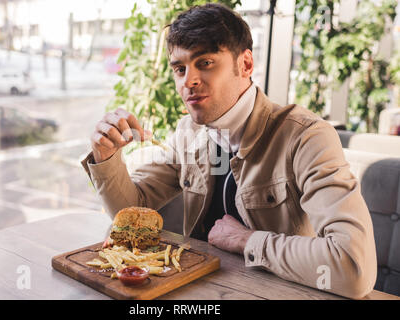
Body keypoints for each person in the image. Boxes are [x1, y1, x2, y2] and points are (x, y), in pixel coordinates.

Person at [81, 3, 377, 299]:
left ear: (245, 65)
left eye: (206, 63)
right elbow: (130, 210)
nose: (189, 81)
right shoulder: (188, 132)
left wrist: (247, 241)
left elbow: (353, 268)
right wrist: (105, 156)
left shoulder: (306, 137)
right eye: (180, 69)